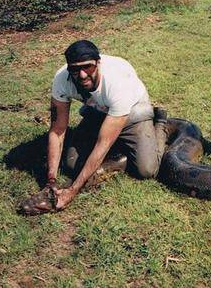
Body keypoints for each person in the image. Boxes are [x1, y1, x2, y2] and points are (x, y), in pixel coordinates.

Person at [31, 40, 168, 212]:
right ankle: (122, 157)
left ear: (98, 63)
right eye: (75, 69)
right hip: (97, 110)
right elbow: (57, 130)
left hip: (133, 113)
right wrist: (50, 181)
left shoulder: (117, 83)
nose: (81, 75)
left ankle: (161, 124)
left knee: (147, 169)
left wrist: (72, 191)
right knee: (72, 164)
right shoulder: (61, 79)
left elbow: (103, 144)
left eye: (88, 67)